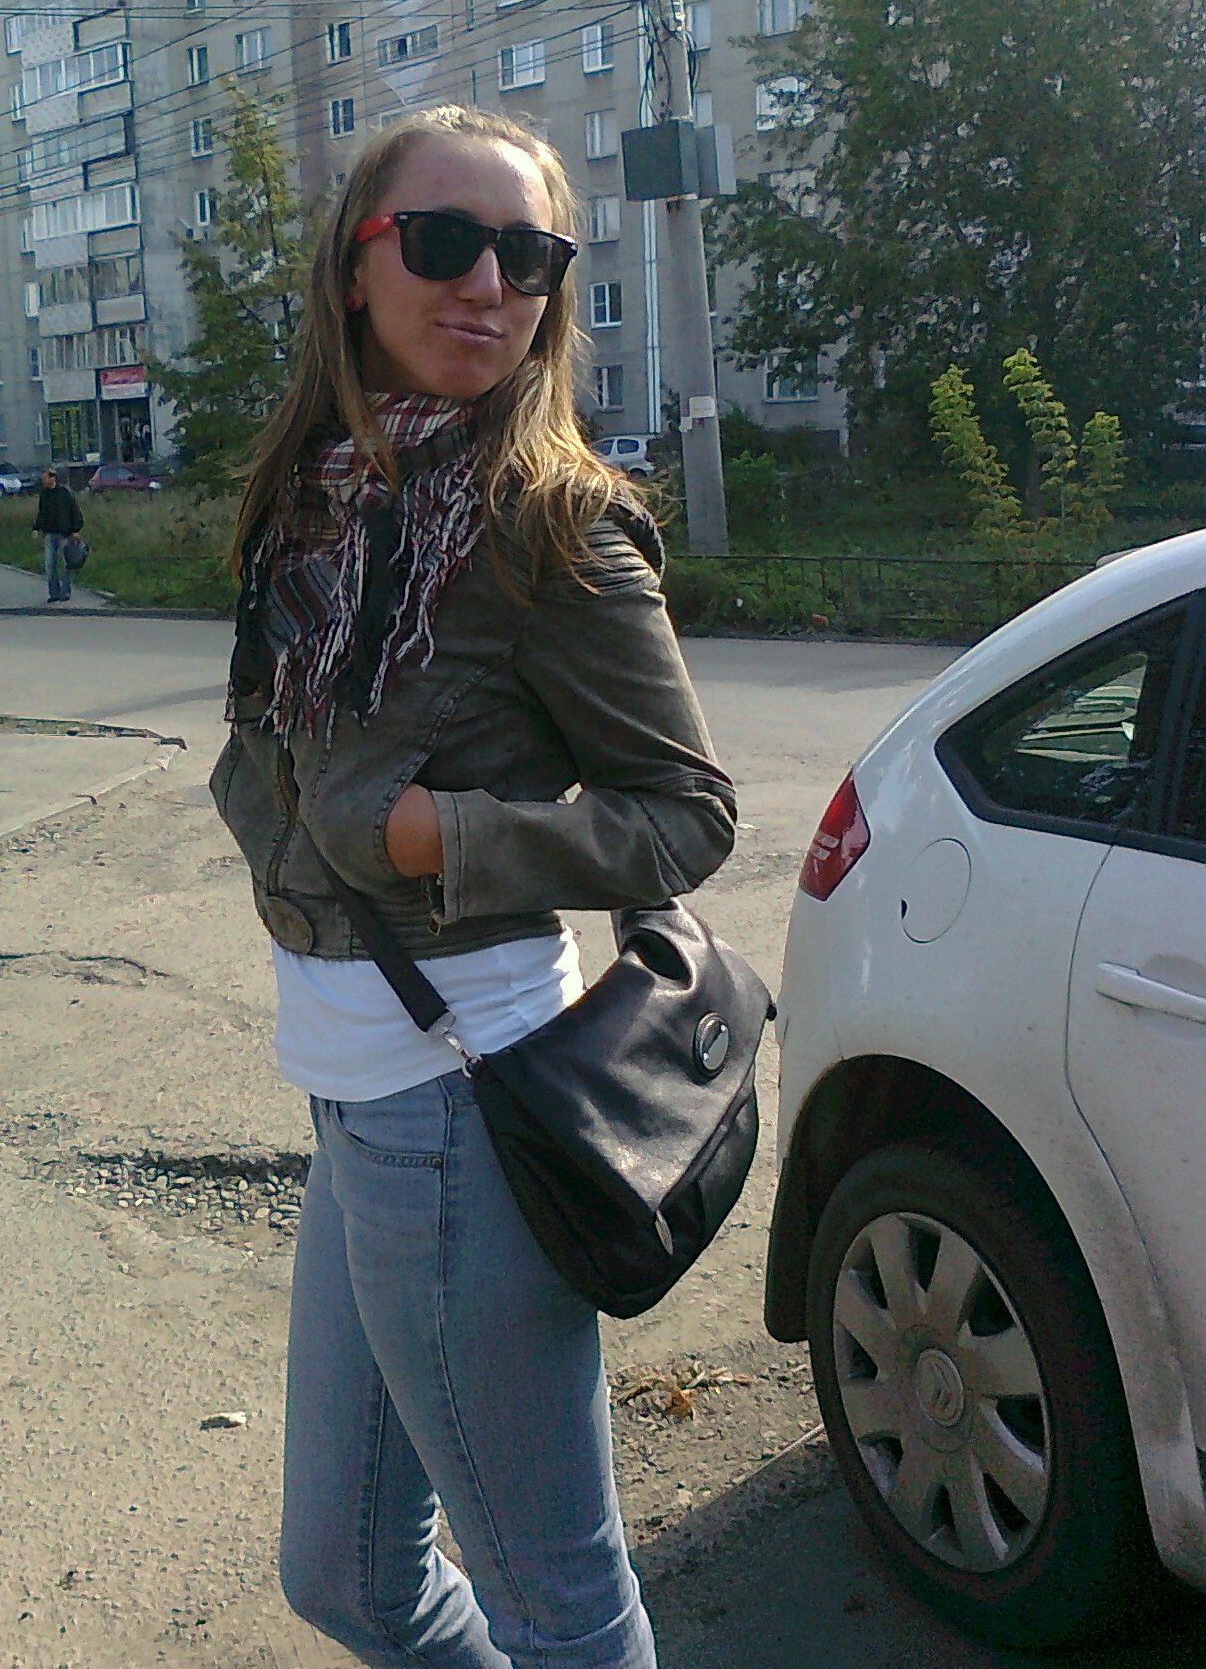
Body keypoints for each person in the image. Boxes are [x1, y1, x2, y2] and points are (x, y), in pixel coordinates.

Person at [210, 104, 737, 1669]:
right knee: (350, 1576)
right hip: (356, 1098)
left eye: (529, 254)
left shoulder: (549, 525)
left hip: (459, 1092)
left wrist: (448, 834)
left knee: (557, 1600)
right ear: (355, 267)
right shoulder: (317, 503)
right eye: (445, 241)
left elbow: (686, 815)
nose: (489, 283)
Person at [31, 468, 83, 604]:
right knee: (50, 564)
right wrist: (36, 528)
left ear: (52, 478)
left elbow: (74, 510)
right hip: (49, 533)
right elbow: (41, 512)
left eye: (45, 478)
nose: (43, 480)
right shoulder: (44, 494)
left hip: (65, 533)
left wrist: (76, 529)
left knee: (66, 564)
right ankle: (53, 593)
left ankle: (65, 592)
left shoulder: (64, 492)